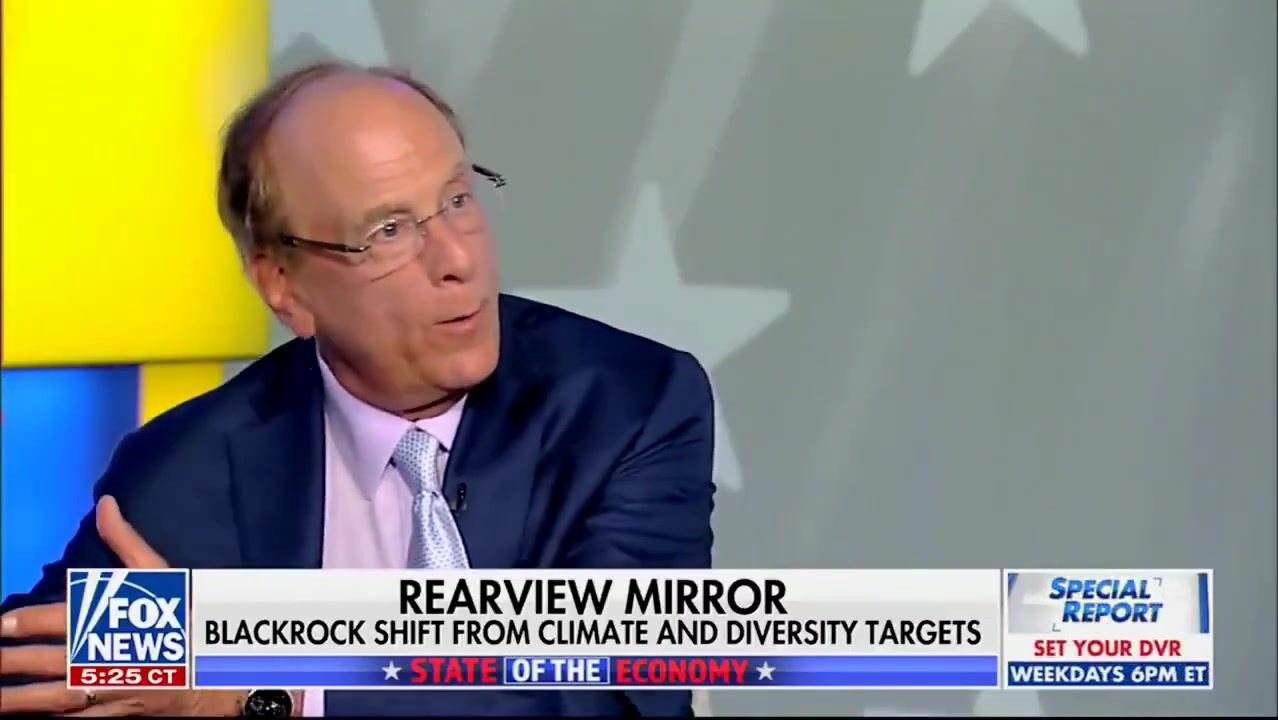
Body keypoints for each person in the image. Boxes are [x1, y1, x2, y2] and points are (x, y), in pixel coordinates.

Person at [0, 62, 716, 717]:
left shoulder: (627, 406)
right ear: (284, 286)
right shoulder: (190, 467)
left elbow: (618, 696)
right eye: (389, 231)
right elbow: (32, 667)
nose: (458, 259)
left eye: (458, 199)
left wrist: (264, 694)